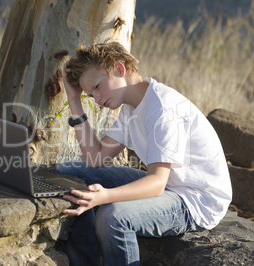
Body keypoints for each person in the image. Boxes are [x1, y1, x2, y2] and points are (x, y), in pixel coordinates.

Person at [57, 42, 232, 266]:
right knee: (69, 173)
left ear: (119, 70)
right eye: (90, 95)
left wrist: (105, 196)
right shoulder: (130, 106)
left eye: (98, 87)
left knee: (112, 217)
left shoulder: (162, 108)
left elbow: (157, 183)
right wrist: (74, 101)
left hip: (196, 200)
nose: (97, 99)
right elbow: (95, 158)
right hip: (171, 186)